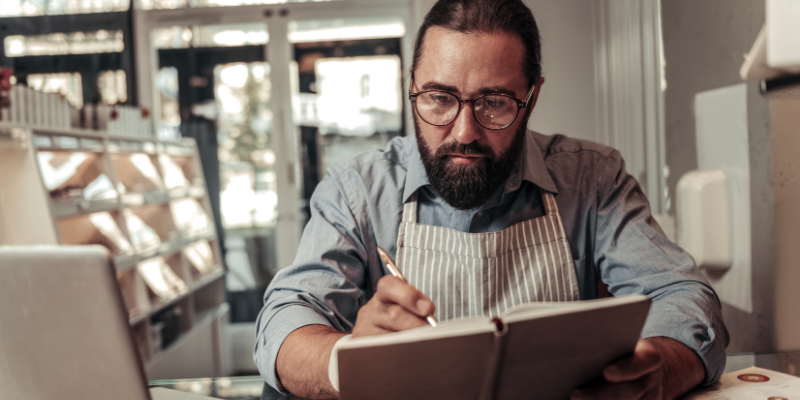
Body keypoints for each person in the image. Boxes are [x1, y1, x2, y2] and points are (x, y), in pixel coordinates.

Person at [254, 0, 728, 398]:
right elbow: (284, 318)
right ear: (412, 87)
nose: (464, 132)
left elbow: (683, 296)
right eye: (438, 98)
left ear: (531, 96)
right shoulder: (357, 189)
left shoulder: (593, 178)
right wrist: (350, 360)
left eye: (494, 102)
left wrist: (661, 367)